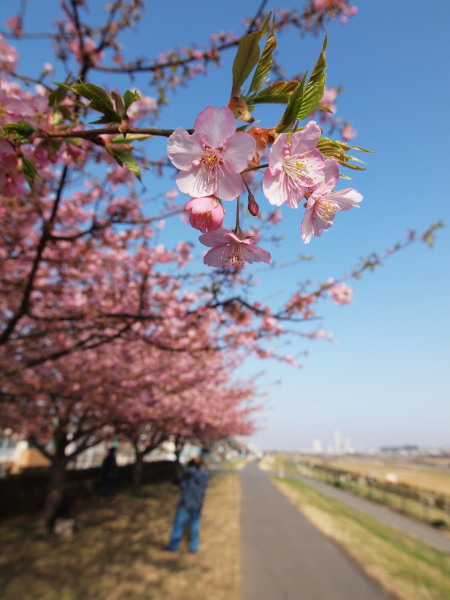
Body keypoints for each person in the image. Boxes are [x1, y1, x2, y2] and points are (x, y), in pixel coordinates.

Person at [167, 456, 209, 553]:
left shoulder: (187, 474)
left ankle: (173, 546)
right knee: (195, 525)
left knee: (179, 524)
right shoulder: (204, 476)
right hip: (197, 504)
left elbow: (182, 484)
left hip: (185, 503)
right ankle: (194, 547)